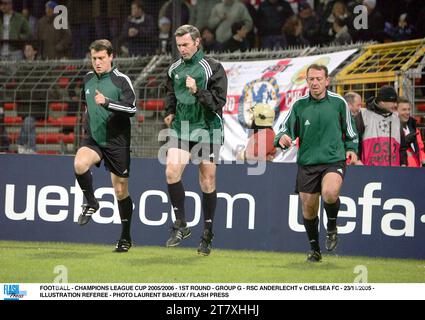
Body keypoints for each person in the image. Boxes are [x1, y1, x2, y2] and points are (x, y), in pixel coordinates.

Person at [274, 64, 359, 262]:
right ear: (307, 81)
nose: (315, 83)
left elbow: (351, 131)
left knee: (330, 193)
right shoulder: (299, 105)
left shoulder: (339, 103)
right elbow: (285, 130)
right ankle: (314, 249)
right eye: (311, 79)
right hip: (307, 163)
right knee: (309, 208)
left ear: (327, 81)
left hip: (332, 160)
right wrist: (282, 138)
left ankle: (331, 227)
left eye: (319, 79)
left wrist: (351, 149)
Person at [163, 24, 227, 256]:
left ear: (197, 42)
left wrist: (197, 91)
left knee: (207, 182)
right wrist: (169, 111)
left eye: (186, 44)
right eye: (179, 45)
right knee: (171, 172)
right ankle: (181, 224)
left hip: (207, 129)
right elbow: (170, 93)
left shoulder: (213, 68)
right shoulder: (174, 69)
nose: (182, 49)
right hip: (182, 128)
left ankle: (207, 234)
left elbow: (219, 103)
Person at [74, 39, 137, 253]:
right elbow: (87, 105)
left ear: (111, 56)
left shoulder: (121, 80)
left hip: (117, 142)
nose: (97, 62)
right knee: (80, 164)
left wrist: (108, 103)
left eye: (101, 58)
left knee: (120, 190)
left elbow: (132, 109)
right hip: (94, 139)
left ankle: (126, 237)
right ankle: (91, 202)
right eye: (94, 58)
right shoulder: (88, 78)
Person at [354, 85, 407, 166]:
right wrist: (357, 161)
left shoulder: (396, 118)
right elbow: (353, 141)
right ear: (382, 102)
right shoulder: (363, 115)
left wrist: (404, 163)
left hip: (394, 173)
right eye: (393, 102)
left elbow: (402, 147)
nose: (395, 105)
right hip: (368, 172)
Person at [397, 97, 425, 167]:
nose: (407, 112)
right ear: (396, 111)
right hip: (400, 171)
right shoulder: (390, 129)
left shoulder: (414, 129)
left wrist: (423, 159)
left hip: (416, 170)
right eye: (404, 110)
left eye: (409, 109)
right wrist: (405, 141)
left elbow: (420, 148)